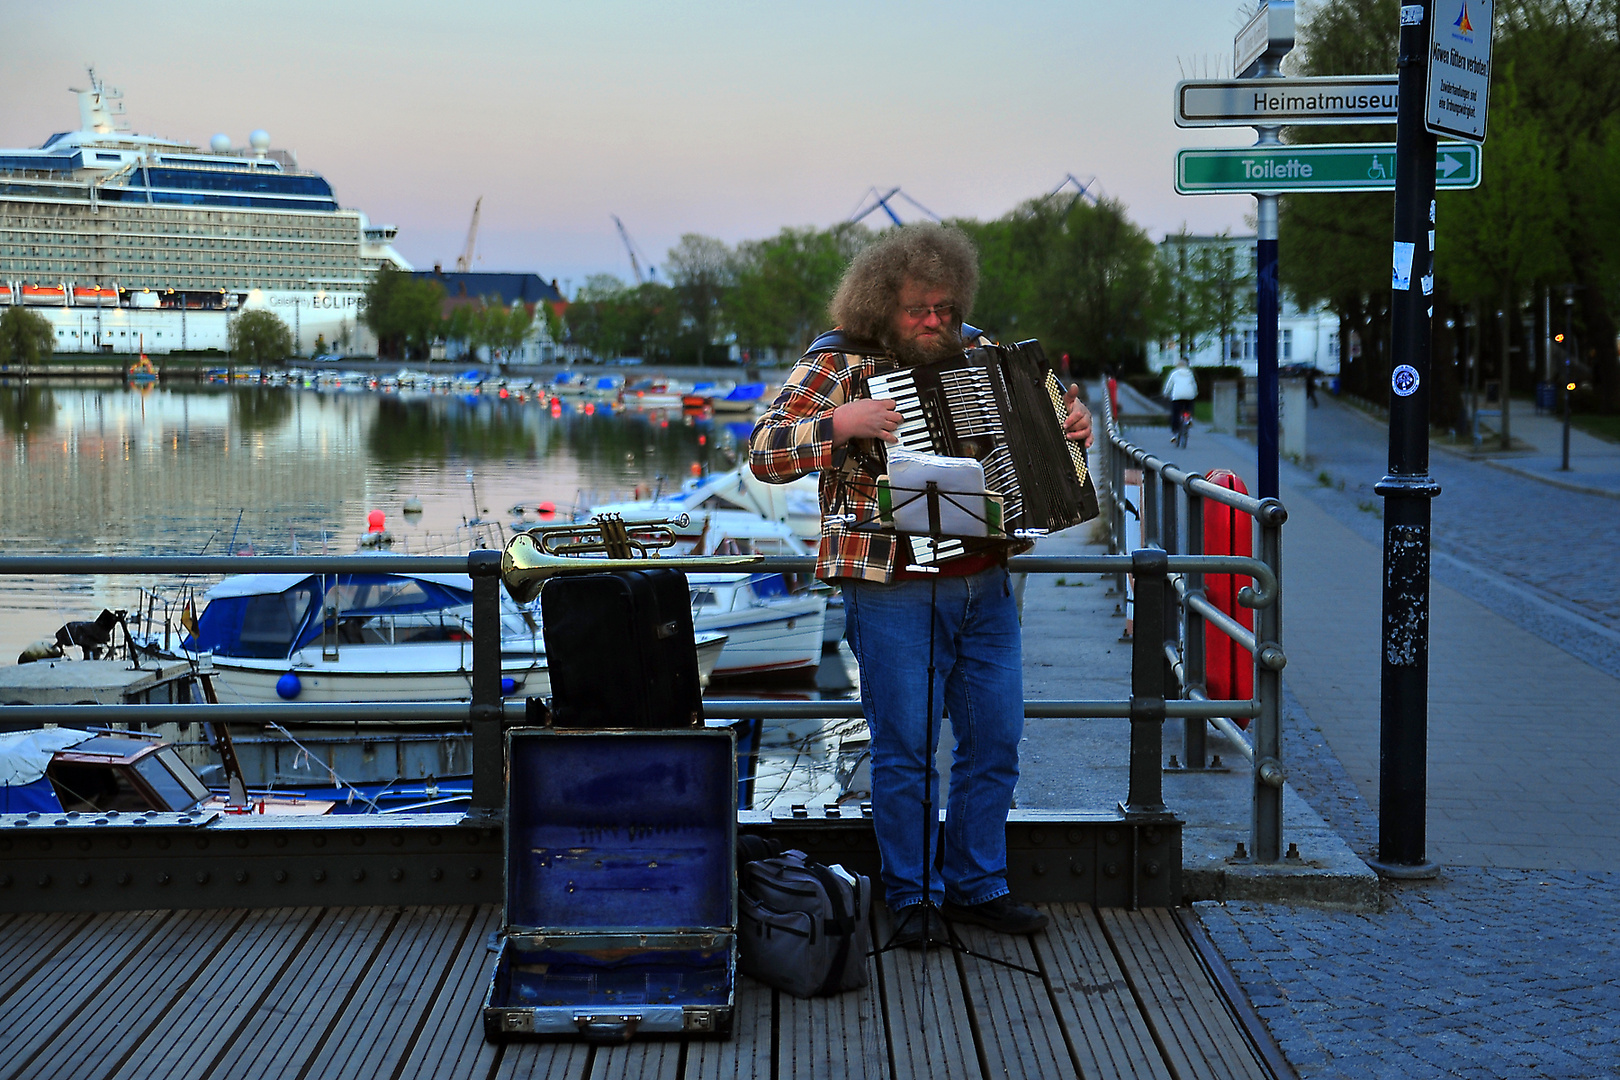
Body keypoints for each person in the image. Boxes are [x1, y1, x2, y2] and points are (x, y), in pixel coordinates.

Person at [749, 224, 1092, 949]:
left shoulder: (985, 353)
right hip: (891, 589)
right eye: (917, 311)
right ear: (880, 305)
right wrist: (840, 422)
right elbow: (765, 451)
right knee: (905, 749)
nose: (935, 322)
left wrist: (1076, 423)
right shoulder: (838, 362)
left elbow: (1057, 416)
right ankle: (911, 893)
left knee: (994, 739)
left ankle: (978, 884)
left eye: (944, 306)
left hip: (986, 585)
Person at [1162, 356, 1198, 444]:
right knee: (1188, 409)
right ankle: (1188, 419)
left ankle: (1175, 433)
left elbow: (1169, 385)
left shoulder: (1174, 373)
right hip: (1189, 396)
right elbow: (1194, 385)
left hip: (1177, 397)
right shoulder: (1190, 373)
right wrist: (1195, 393)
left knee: (1176, 414)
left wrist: (1166, 393)